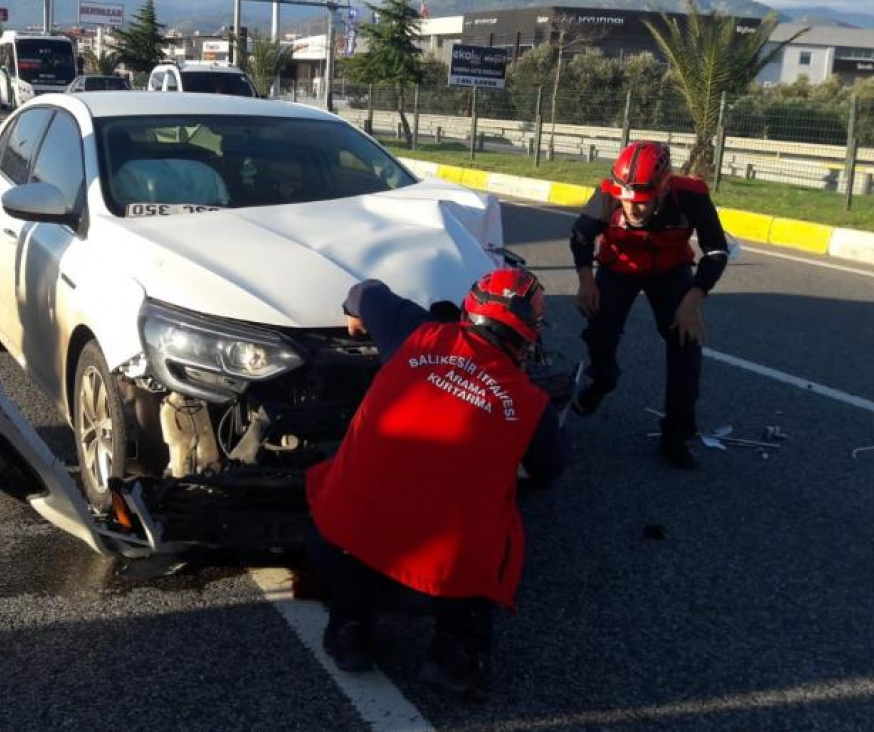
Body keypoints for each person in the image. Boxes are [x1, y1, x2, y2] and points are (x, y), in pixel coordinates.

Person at [305, 267, 568, 703]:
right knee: (503, 525)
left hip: (335, 551)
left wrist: (354, 314)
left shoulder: (418, 334)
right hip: (435, 587)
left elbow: (365, 291)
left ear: (468, 311)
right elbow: (551, 470)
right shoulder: (529, 403)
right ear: (527, 337)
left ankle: (349, 626)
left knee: (339, 482)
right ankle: (456, 654)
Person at [569, 140, 730, 468]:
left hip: (670, 271)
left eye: (642, 203)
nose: (632, 210)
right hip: (619, 266)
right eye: (627, 202)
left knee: (686, 344)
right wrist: (586, 280)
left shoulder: (691, 195)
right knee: (600, 330)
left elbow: (716, 252)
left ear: (663, 188)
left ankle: (676, 435)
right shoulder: (607, 195)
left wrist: (693, 299)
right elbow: (581, 236)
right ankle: (603, 379)